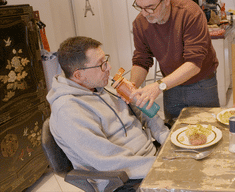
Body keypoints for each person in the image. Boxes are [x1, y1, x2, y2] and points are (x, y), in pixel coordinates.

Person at [47, 36, 169, 191]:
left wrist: (165, 136)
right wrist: (160, 165)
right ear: (78, 75)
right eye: (101, 65)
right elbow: (109, 161)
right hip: (124, 180)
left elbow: (142, 111)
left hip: (150, 158)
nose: (109, 67)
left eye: (106, 60)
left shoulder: (106, 84)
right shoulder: (68, 110)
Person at [129, 0, 220, 125]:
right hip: (171, 85)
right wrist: (132, 87)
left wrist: (158, 86)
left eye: (150, 7)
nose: (144, 13)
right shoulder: (140, 23)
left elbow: (194, 64)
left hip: (202, 84)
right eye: (139, 6)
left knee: (209, 128)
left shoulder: (190, 13)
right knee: (173, 130)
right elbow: (141, 60)